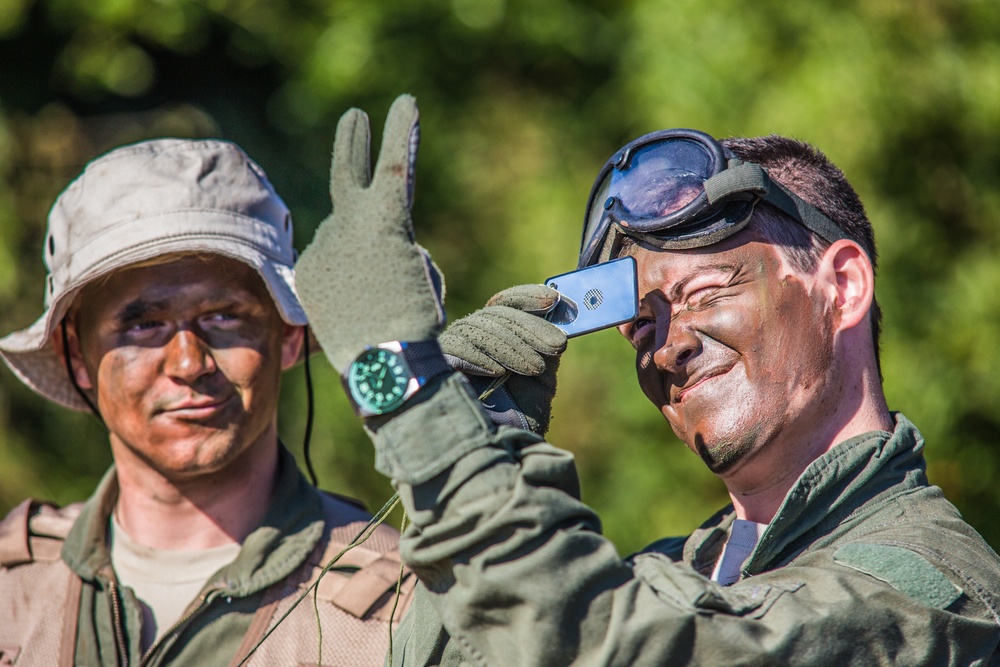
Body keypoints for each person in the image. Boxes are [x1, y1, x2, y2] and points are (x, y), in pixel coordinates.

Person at [296, 95, 1000, 665]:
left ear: (840, 287)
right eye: (641, 324)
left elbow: (629, 644)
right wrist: (486, 444)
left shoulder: (932, 590)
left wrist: (412, 400)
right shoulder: (675, 569)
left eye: (703, 292)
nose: (669, 346)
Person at [0, 138, 414, 666]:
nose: (188, 363)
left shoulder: (407, 608)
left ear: (288, 334)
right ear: (75, 355)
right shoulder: (12, 593)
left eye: (224, 317)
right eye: (144, 325)